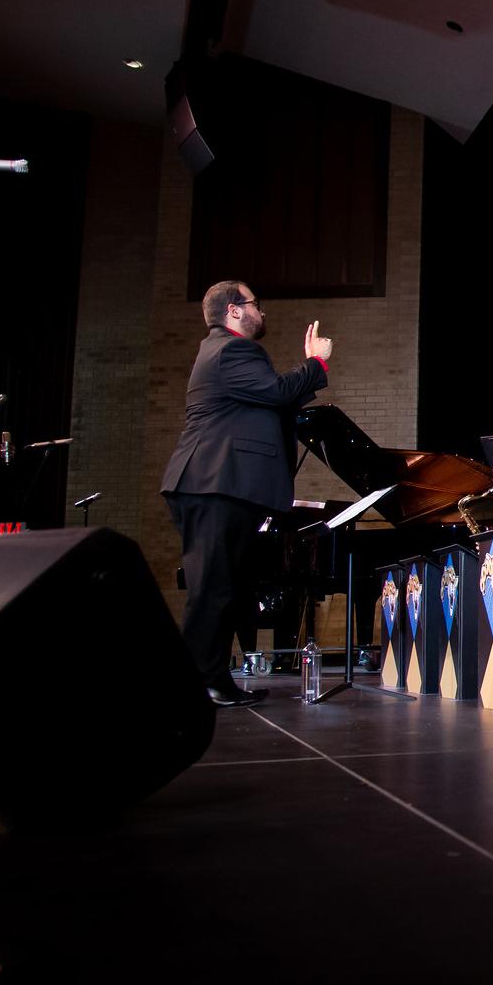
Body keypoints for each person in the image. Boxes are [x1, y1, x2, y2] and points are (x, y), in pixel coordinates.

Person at [160, 280, 333, 707]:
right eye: (256, 303)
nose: (263, 312)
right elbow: (275, 391)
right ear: (235, 310)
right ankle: (197, 684)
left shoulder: (223, 352)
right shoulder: (231, 349)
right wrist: (315, 364)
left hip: (219, 485)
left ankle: (214, 680)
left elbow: (270, 401)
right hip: (212, 483)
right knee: (212, 589)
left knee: (225, 589)